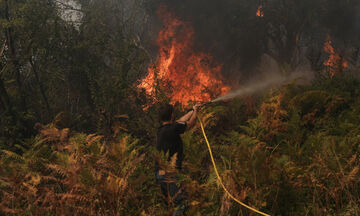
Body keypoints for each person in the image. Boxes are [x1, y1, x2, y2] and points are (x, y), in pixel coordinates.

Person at [155, 104, 199, 216]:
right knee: (183, 202)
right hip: (170, 174)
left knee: (170, 205)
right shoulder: (173, 128)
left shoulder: (161, 130)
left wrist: (191, 111)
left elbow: (179, 121)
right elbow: (191, 123)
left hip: (159, 174)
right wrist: (195, 112)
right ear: (172, 115)